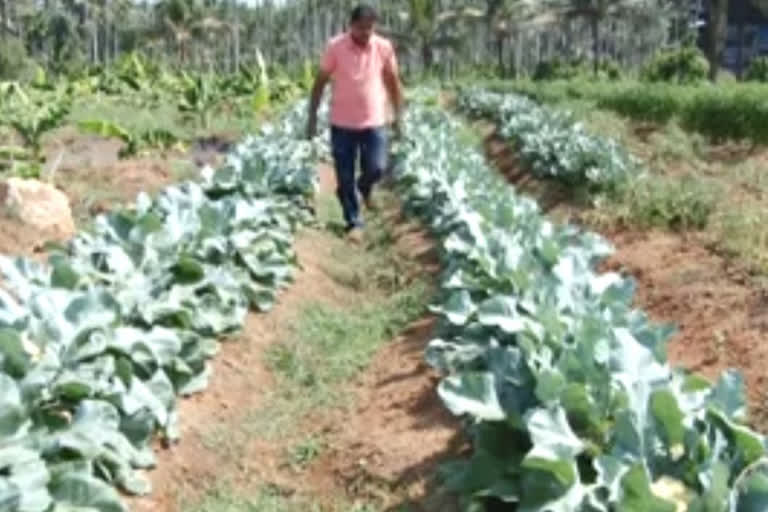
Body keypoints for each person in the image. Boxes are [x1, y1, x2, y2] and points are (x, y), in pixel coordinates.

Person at [306, 3, 404, 242]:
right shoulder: (335, 47)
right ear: (351, 26)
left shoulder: (383, 47)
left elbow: (393, 81)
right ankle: (354, 223)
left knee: (377, 167)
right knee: (345, 174)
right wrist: (312, 116)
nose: (365, 33)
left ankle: (365, 187)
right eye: (361, 28)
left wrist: (399, 115)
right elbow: (320, 82)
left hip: (374, 121)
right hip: (342, 123)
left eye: (369, 29)